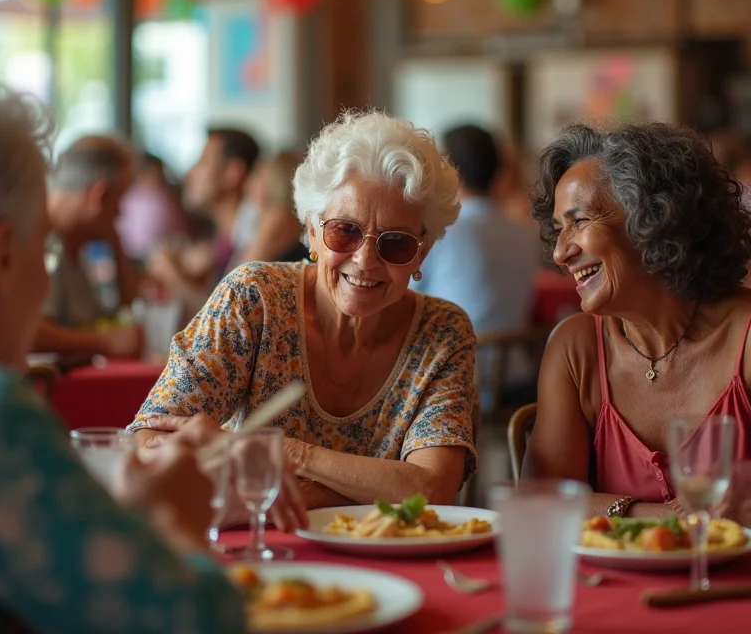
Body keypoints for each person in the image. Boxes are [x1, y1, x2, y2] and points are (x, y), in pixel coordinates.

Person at [0, 78, 251, 633]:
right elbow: (199, 620)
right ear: (2, 256)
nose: (45, 276)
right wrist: (172, 518)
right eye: (39, 245)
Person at [130, 110, 477, 508]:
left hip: (366, 546)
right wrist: (369, 488)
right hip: (259, 545)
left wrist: (283, 455)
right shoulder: (253, 299)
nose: (365, 261)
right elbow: (149, 441)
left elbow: (433, 488)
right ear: (312, 230)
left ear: (423, 251)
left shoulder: (442, 332)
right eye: (344, 231)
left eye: (395, 242)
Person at [524, 122, 751, 519]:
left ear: (655, 218)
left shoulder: (745, 334)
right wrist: (664, 518)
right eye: (558, 229)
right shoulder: (576, 349)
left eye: (579, 221)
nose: (559, 253)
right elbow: (543, 501)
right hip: (617, 565)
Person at [412, 124, 539, 337]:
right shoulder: (525, 233)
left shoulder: (441, 231)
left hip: (452, 353)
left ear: (453, 173)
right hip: (513, 355)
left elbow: (405, 294)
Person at [32, 135, 143, 358]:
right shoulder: (40, 240)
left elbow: (124, 308)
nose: (119, 214)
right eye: (119, 200)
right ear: (100, 196)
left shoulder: (75, 245)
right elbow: (28, 332)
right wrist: (105, 342)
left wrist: (116, 244)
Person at [147, 127, 260, 316]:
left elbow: (227, 317)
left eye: (202, 162)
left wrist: (172, 275)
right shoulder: (228, 237)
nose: (189, 174)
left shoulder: (255, 233)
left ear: (232, 172)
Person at [238, 150, 309, 265]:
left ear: (276, 181)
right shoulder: (282, 216)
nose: (249, 184)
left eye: (257, 175)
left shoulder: (278, 217)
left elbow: (243, 270)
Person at [116, 152, 188, 263]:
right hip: (133, 257)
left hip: (154, 257)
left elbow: (180, 233)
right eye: (152, 174)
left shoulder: (165, 199)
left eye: (159, 175)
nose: (156, 178)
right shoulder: (129, 199)